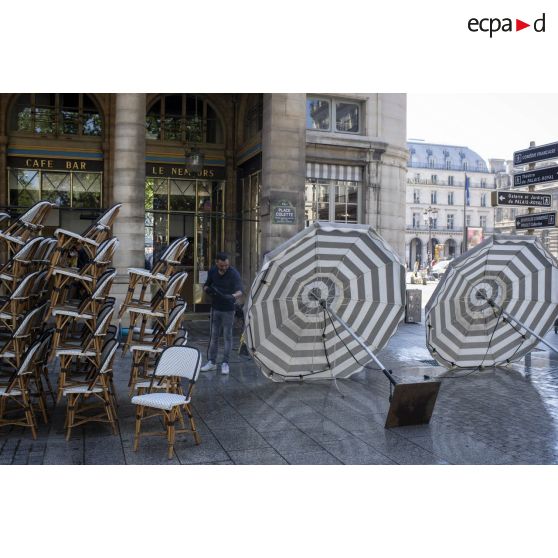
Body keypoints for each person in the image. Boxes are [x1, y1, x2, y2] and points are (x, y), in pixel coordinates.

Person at [200, 252, 243, 375]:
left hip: (229, 309)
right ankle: (212, 362)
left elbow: (240, 290)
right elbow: (206, 285)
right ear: (216, 263)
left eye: (226, 265)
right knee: (213, 337)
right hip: (215, 308)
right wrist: (207, 290)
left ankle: (225, 363)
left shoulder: (233, 273)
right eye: (221, 266)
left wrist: (232, 296)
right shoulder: (213, 271)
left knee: (227, 337)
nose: (224, 268)